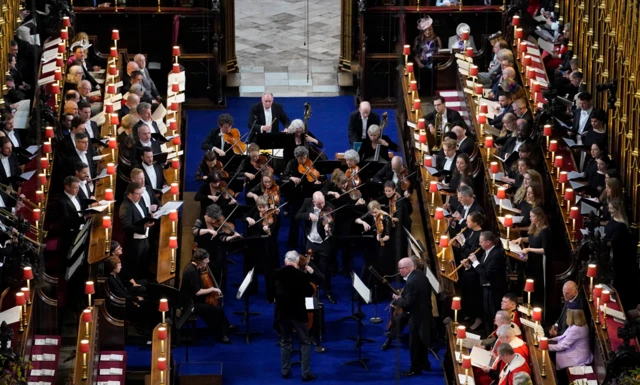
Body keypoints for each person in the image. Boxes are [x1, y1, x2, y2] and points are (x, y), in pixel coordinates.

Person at [274, 250, 317, 381]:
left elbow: (270, 295)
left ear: (285, 261)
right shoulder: (301, 275)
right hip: (298, 314)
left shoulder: (276, 273)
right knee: (305, 342)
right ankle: (305, 373)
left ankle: (285, 371)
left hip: (282, 313)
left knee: (285, 342)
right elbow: (310, 291)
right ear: (297, 261)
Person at [180, 248, 232, 344]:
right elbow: (198, 292)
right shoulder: (191, 271)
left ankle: (225, 326)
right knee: (217, 309)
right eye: (206, 259)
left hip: (195, 299)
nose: (208, 261)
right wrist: (212, 289)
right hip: (190, 304)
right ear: (199, 260)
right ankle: (221, 334)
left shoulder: (195, 267)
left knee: (215, 308)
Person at [392, 257, 432, 376]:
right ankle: (425, 364)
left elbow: (407, 303)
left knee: (414, 344)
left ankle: (415, 369)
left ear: (407, 268)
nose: (399, 271)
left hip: (417, 316)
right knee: (421, 342)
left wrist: (398, 300)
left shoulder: (411, 282)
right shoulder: (419, 274)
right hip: (425, 312)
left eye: (401, 269)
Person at [295, 192, 336, 304]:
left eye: (323, 202)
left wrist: (329, 228)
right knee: (309, 268)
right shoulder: (307, 203)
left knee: (325, 270)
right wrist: (308, 215)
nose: (322, 205)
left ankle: (328, 292)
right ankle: (311, 293)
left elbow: (333, 224)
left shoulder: (329, 207)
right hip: (311, 242)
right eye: (319, 204)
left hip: (324, 243)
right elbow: (297, 215)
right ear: (313, 202)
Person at [462, 231, 506, 336]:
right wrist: (468, 266)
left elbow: (486, 273)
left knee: (493, 315)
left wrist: (475, 261)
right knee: (486, 315)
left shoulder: (497, 254)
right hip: (486, 288)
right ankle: (487, 335)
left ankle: (494, 336)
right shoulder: (487, 252)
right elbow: (481, 269)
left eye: (481, 242)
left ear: (488, 242)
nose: (479, 244)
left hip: (494, 290)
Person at [192, 204, 241, 292]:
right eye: (212, 218)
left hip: (216, 251)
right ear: (207, 213)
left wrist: (232, 237)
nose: (214, 221)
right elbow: (194, 231)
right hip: (203, 251)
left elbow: (222, 238)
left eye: (216, 219)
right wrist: (208, 230)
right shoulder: (200, 220)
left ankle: (217, 291)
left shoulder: (218, 222)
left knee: (218, 271)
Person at [604, 198, 639, 308]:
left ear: (618, 209)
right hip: (610, 254)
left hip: (618, 258)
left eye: (611, 209)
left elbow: (614, 243)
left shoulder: (622, 226)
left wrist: (602, 241)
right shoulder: (613, 219)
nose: (609, 211)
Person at [513, 207, 551, 308]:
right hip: (532, 261)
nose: (530, 218)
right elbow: (531, 240)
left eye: (532, 216)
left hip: (539, 263)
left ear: (539, 217)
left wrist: (529, 250)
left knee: (537, 286)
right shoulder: (535, 227)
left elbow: (544, 250)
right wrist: (521, 239)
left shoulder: (545, 231)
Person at [119, 182, 155, 279]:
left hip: (144, 240)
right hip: (134, 243)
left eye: (141, 193)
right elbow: (126, 227)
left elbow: (143, 215)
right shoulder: (125, 207)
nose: (140, 196)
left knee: (144, 264)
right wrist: (144, 226)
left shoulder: (139, 201)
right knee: (135, 268)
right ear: (130, 194)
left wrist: (150, 217)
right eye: (138, 194)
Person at [547, 305, 592, 371]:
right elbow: (563, 337)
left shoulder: (577, 329)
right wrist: (548, 340)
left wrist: (546, 346)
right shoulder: (579, 324)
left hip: (577, 358)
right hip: (576, 352)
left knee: (550, 357)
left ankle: (555, 377)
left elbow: (562, 346)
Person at [413, 16, 441, 95]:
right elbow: (415, 53)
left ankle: (432, 94)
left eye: (429, 29)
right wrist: (419, 63)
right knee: (422, 80)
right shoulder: (418, 39)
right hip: (422, 64)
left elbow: (440, 51)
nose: (428, 32)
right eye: (425, 30)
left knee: (433, 81)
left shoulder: (436, 38)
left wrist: (434, 62)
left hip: (433, 64)